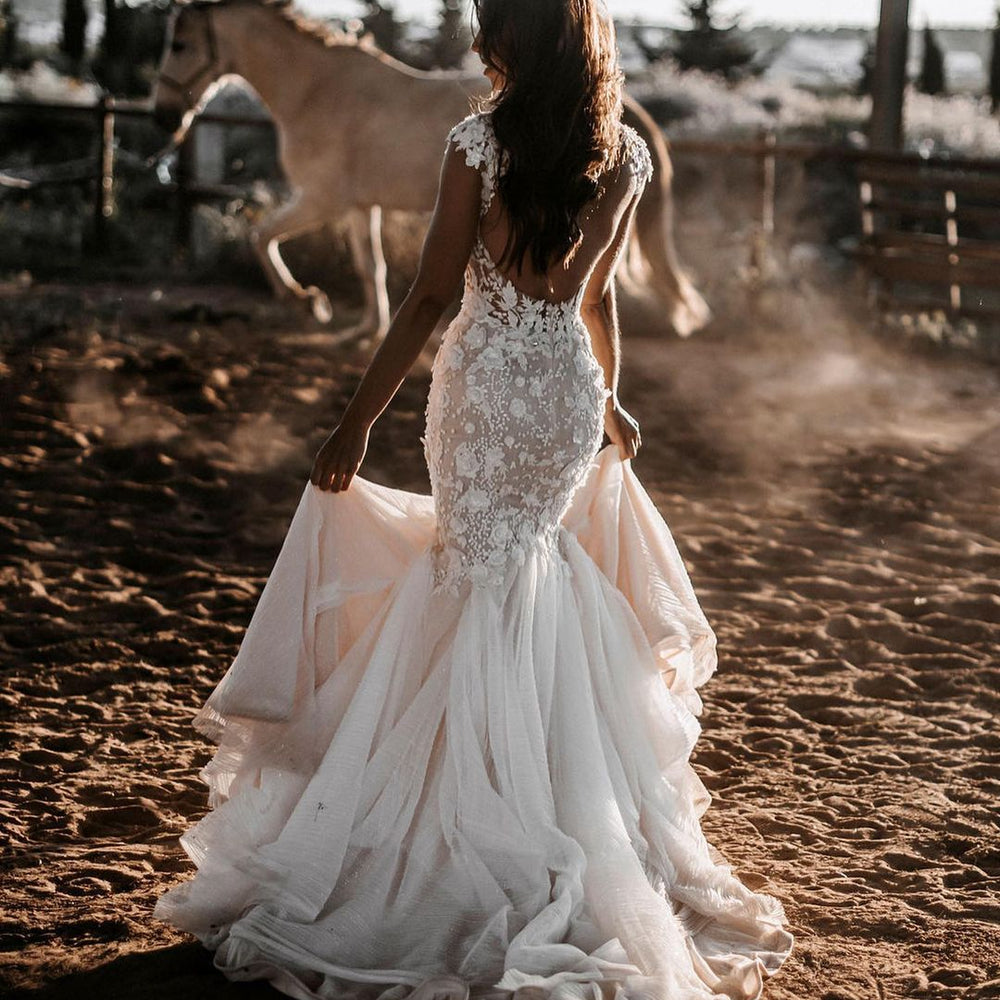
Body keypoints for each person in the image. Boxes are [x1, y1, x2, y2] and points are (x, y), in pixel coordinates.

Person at [152, 1, 794, 998]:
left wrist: (356, 421)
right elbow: (598, 298)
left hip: (486, 385)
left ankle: (464, 819)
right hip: (562, 395)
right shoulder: (624, 157)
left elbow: (428, 295)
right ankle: (560, 810)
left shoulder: (475, 144)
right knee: (537, 570)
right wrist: (610, 396)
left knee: (470, 571)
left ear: (508, 44)